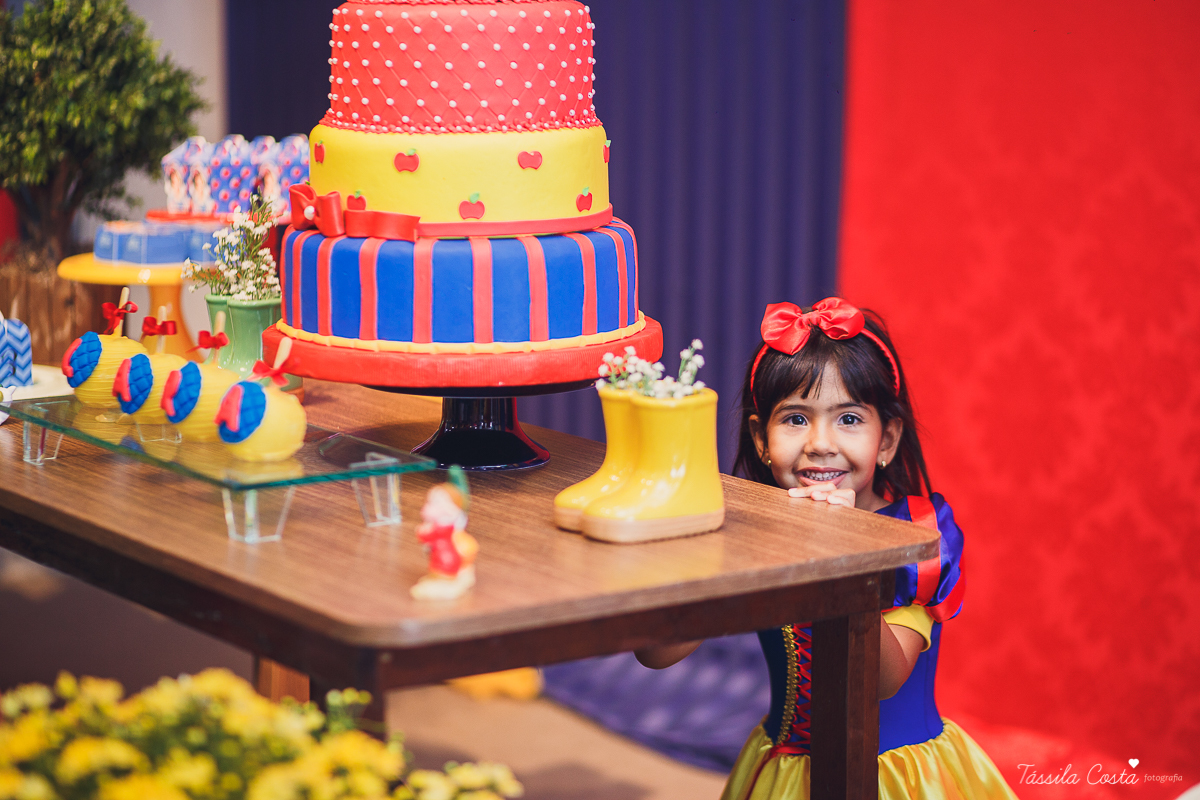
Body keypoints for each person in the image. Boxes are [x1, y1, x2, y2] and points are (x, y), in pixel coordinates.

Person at [636, 298, 1017, 799]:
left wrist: (833, 548)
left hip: (894, 777)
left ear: (887, 440)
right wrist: (740, 554)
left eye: (849, 420)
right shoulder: (752, 528)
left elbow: (883, 679)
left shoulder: (919, 532)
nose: (820, 442)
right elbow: (655, 652)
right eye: (795, 420)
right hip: (787, 770)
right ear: (760, 439)